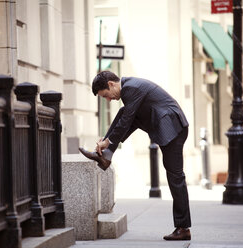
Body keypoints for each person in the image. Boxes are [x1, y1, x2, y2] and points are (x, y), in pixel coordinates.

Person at [79, 71, 191, 240]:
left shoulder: (131, 88)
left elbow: (127, 121)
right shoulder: (129, 89)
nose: (108, 100)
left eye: (106, 96)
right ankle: (105, 155)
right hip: (167, 126)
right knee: (124, 112)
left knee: (176, 178)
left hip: (172, 128)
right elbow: (127, 118)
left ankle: (183, 228)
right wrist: (108, 140)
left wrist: (108, 140)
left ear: (111, 84)